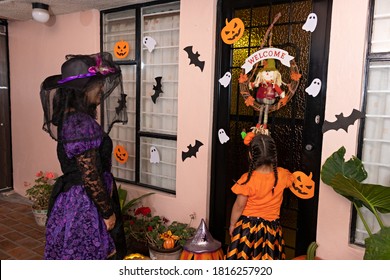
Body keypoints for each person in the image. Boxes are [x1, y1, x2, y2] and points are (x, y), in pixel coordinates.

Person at [40, 52, 128, 260]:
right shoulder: (79, 123)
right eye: (98, 84)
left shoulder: (69, 118)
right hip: (85, 204)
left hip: (78, 198)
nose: (102, 89)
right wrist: (108, 213)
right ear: (84, 89)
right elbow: (90, 176)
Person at [225, 133, 294, 260]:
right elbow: (294, 181)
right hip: (272, 228)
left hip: (248, 229)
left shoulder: (247, 179)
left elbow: (239, 206)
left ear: (251, 155)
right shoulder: (283, 175)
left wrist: (232, 224)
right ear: (274, 155)